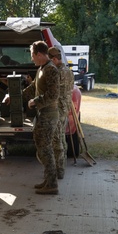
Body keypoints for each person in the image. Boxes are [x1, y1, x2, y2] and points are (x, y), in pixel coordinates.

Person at [6, 41, 60, 194]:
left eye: (32, 55)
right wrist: (15, 96)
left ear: (39, 54)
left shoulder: (51, 70)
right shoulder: (42, 69)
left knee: (46, 148)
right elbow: (32, 88)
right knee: (42, 147)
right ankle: (48, 180)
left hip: (49, 115)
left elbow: (53, 95)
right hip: (42, 114)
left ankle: (52, 184)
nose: (32, 59)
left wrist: (35, 101)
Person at [48, 46, 75, 181]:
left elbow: (52, 92)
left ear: (54, 59)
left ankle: (59, 171)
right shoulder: (68, 71)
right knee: (62, 138)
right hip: (64, 108)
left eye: (49, 60)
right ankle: (62, 167)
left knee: (56, 140)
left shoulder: (58, 73)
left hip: (58, 109)